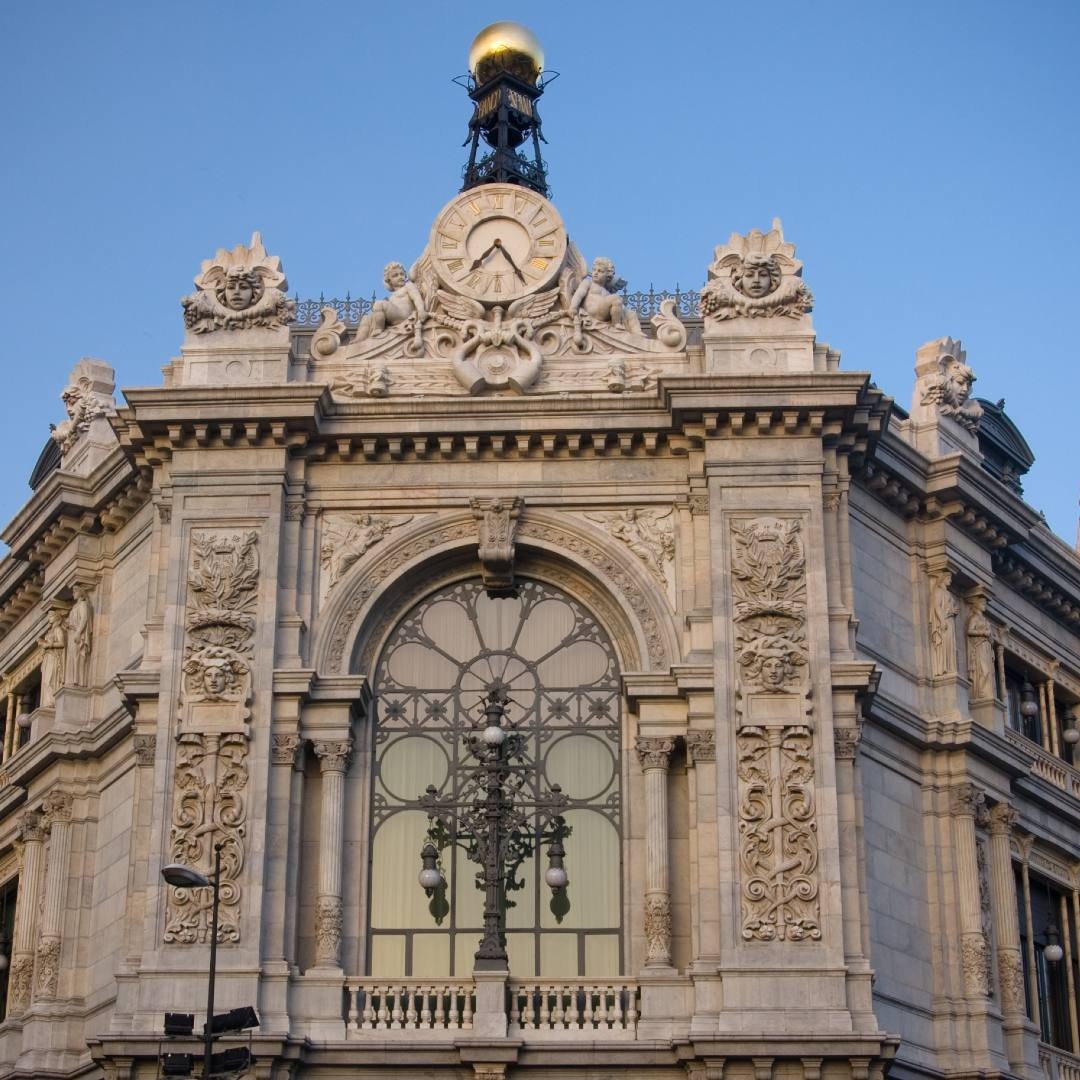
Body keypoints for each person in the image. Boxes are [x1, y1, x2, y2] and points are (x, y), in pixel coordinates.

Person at [355, 262, 427, 342]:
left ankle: (378, 330)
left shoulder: (408, 286)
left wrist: (421, 310)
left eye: (402, 274)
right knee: (366, 318)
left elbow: (416, 298)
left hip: (404, 315)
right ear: (389, 281)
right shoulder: (392, 296)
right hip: (394, 317)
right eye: (395, 275)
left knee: (379, 304)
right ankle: (359, 339)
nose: (400, 277)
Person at [570, 257, 641, 335]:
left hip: (603, 313)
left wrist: (627, 314)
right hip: (592, 311)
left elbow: (619, 308)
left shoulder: (607, 293)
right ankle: (616, 325)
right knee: (616, 298)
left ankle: (637, 333)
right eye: (594, 270)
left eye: (600, 271)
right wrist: (573, 307)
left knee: (631, 313)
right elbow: (579, 294)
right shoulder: (588, 282)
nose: (595, 273)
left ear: (607, 276)